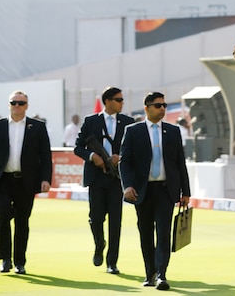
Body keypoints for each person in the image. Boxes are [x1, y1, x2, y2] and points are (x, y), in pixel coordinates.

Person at [119, 92, 190, 291]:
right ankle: (149, 273)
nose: (162, 109)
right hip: (143, 191)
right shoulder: (133, 131)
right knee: (146, 233)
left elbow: (180, 163)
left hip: (166, 190)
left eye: (164, 105)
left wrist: (186, 191)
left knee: (164, 233)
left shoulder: (173, 131)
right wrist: (128, 186)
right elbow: (125, 162)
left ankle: (162, 274)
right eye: (158, 105)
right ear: (147, 108)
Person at [0, 90, 52, 275]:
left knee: (22, 221)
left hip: (26, 181)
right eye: (14, 103)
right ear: (9, 104)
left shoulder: (37, 127)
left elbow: (45, 155)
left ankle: (20, 261)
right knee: (3, 215)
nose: (17, 106)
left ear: (27, 106)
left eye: (21, 103)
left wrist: (45, 179)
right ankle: (5, 259)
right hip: (3, 180)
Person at [74, 87, 132, 274]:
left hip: (117, 179)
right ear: (107, 101)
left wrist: (120, 157)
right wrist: (92, 156)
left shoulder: (128, 123)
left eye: (122, 100)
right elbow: (78, 147)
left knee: (116, 222)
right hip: (96, 177)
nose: (121, 103)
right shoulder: (91, 121)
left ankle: (112, 262)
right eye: (118, 99)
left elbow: (134, 149)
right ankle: (99, 244)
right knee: (96, 218)